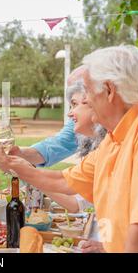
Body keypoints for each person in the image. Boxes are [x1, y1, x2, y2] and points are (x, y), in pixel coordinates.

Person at [0, 45, 138, 252]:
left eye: (86, 89)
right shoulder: (114, 137)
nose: (84, 99)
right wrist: (8, 163)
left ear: (109, 89)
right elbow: (63, 180)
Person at [42, 80, 106, 214]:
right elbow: (76, 197)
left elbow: (76, 202)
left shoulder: (108, 149)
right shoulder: (98, 147)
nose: (69, 114)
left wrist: (25, 171)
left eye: (75, 105)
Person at [9, 66, 86, 167]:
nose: (70, 114)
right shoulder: (78, 123)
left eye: (75, 103)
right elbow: (57, 145)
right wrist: (16, 155)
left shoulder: (111, 140)